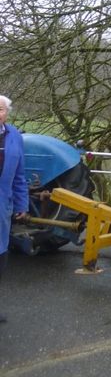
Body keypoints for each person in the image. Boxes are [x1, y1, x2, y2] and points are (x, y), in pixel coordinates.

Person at [0, 95, 29, 324]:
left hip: (2, 205)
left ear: (7, 113)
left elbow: (19, 174)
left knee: (1, 256)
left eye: (0, 109)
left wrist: (21, 204)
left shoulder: (14, 136)